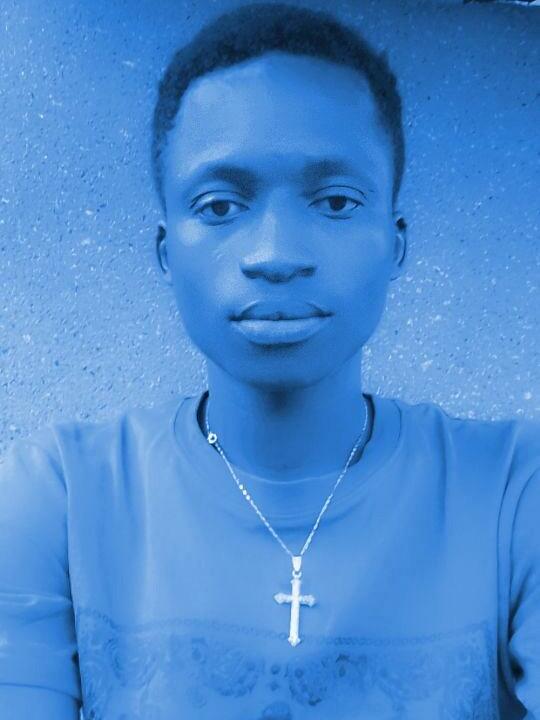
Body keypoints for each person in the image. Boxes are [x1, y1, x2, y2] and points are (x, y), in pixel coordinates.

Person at [1, 3, 539, 719]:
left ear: (396, 242)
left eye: (336, 202)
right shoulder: (59, 497)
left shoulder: (513, 491)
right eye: (222, 207)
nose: (276, 254)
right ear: (166, 252)